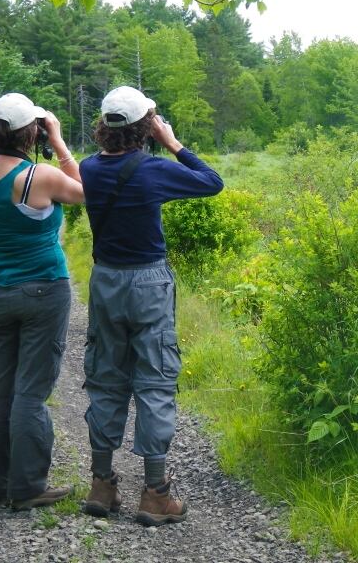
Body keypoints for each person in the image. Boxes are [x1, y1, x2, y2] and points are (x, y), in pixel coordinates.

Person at [79, 86, 223, 526]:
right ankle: (155, 493)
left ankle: (102, 485)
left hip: (105, 281)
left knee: (105, 377)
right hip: (148, 282)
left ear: (104, 126)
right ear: (148, 127)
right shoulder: (154, 170)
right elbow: (211, 182)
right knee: (155, 381)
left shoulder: (89, 168)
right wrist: (173, 142)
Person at [0, 92, 84, 510]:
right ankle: (28, 488)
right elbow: (87, 192)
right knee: (30, 394)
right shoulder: (41, 176)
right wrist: (58, 142)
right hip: (44, 290)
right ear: (31, 131)